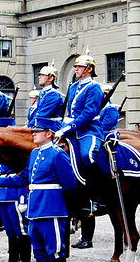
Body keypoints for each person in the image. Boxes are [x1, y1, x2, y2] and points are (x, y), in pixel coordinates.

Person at [0, 117, 76, 262]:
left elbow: (70, 186)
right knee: (39, 253)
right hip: (34, 211)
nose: (33, 133)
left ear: (49, 133)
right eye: (33, 130)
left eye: (37, 131)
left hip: (50, 211)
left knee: (55, 253)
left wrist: (58, 207)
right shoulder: (35, 153)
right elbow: (23, 178)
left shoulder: (58, 154)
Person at [55, 49, 107, 217]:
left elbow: (88, 114)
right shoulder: (73, 87)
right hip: (71, 128)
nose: (76, 69)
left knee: (88, 155)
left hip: (89, 129)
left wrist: (68, 127)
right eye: (76, 67)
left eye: (79, 67)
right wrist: (62, 126)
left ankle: (99, 198)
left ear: (89, 69)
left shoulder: (94, 88)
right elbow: (68, 111)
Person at [30, 61, 63, 127]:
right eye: (39, 75)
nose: (39, 77)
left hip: (51, 127)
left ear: (51, 78)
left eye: (43, 75)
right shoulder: (43, 93)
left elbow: (43, 115)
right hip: (42, 126)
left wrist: (29, 126)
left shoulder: (53, 94)